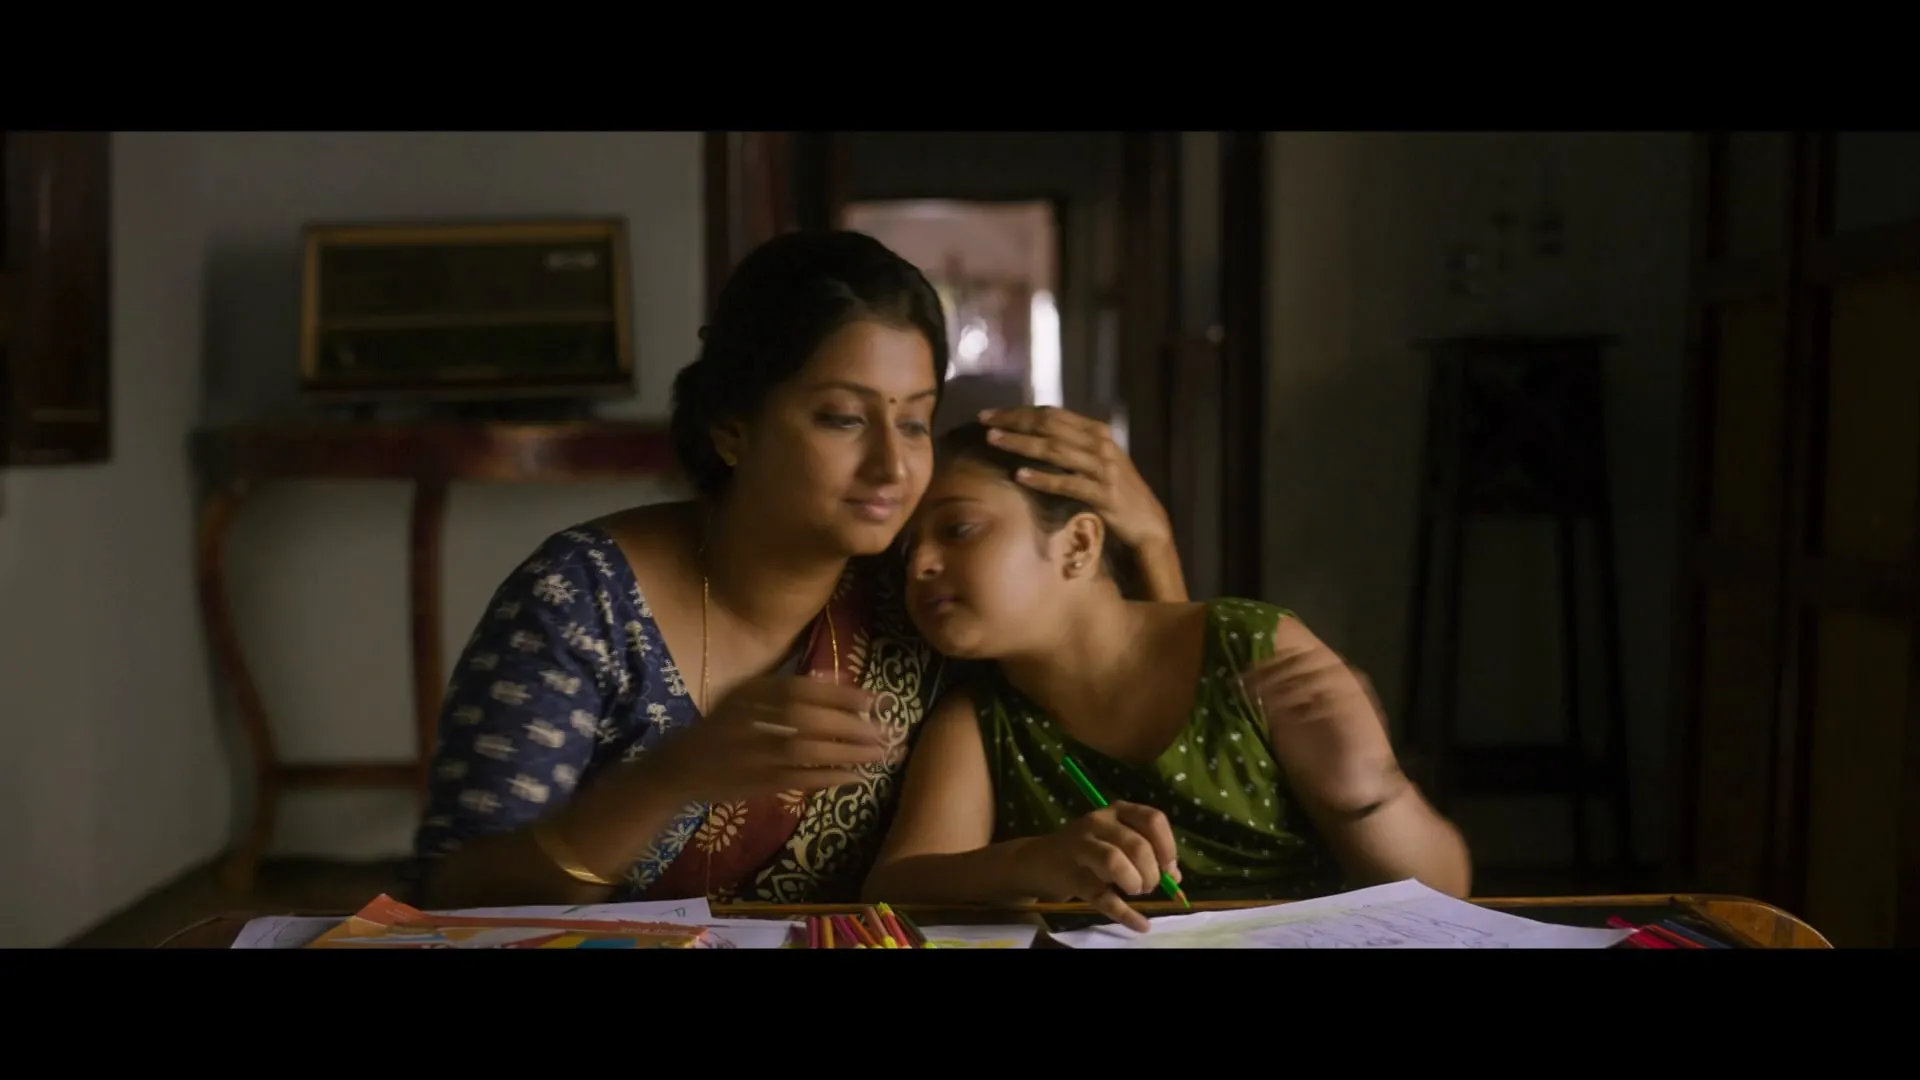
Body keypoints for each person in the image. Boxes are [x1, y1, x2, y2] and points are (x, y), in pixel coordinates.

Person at [408, 229, 1188, 908]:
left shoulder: (924, 592)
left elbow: (1145, 737)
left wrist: (1153, 542)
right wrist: (667, 779)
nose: (892, 466)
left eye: (915, 422)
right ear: (733, 428)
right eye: (843, 418)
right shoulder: (583, 598)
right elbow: (456, 895)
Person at [861, 421, 1472, 931]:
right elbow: (893, 890)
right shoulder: (980, 719)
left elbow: (1448, 892)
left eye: (958, 529)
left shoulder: (1249, 648)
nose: (920, 565)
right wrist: (1032, 862)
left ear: (1077, 545)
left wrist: (1369, 795)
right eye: (908, 548)